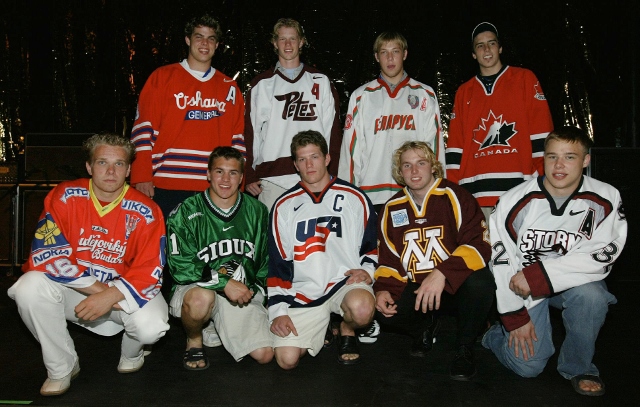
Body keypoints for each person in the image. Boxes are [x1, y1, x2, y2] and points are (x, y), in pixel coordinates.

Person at [7, 133, 169, 396]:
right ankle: (62, 366)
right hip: (80, 293)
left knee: (152, 327)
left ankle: (132, 353)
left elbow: (151, 269)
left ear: (129, 169)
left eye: (119, 164)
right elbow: (48, 254)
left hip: (121, 294)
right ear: (88, 166)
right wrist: (100, 293)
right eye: (102, 162)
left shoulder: (147, 210)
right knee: (28, 287)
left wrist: (113, 295)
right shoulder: (65, 196)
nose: (110, 171)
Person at [482, 126, 627, 396]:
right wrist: (513, 316)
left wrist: (539, 276)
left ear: (585, 160)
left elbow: (603, 254)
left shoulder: (606, 197)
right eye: (552, 157)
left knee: (593, 297)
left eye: (570, 157)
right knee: (528, 367)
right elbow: (501, 262)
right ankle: (494, 334)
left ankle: (579, 366)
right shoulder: (514, 200)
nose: (559, 165)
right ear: (543, 158)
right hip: (521, 288)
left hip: (568, 283)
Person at [374, 141, 494, 381]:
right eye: (407, 165)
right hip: (418, 290)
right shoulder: (392, 207)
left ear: (433, 166)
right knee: (383, 307)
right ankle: (425, 325)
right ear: (400, 171)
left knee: (481, 283)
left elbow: (480, 244)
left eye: (421, 163)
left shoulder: (456, 196)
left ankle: (464, 347)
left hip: (454, 287)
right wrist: (383, 289)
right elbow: (389, 259)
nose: (414, 171)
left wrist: (442, 273)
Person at [268, 130, 378, 369]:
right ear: (295, 164)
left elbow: (372, 246)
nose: (309, 164)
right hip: (305, 291)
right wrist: (278, 310)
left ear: (327, 158)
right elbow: (278, 263)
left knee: (361, 309)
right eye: (302, 159)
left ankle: (347, 329)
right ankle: (323, 324)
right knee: (287, 361)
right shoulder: (283, 206)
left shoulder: (355, 197)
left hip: (344, 284)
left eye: (315, 157)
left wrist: (369, 271)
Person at [166, 146, 273, 370]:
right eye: (219, 171)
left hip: (238, 292)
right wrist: (224, 283)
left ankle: (218, 322)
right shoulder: (185, 211)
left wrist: (259, 293)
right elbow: (180, 267)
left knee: (264, 355)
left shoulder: (258, 211)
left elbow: (263, 261)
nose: (225, 179)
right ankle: (194, 339)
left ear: (242, 177)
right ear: (208, 174)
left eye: (233, 173)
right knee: (200, 300)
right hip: (195, 287)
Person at [130, 13, 245, 218]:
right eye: (199, 36)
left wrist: (238, 184)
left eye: (211, 38)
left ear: (217, 45)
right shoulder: (162, 77)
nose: (204, 43)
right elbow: (142, 132)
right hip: (164, 184)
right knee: (165, 248)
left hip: (215, 187)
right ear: (187, 40)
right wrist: (141, 176)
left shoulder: (230, 87)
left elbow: (237, 143)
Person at [445, 22, 554, 224]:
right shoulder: (464, 92)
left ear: (500, 48)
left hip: (521, 192)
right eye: (480, 46)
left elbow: (542, 135)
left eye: (491, 43)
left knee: (524, 253)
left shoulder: (525, 79)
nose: (486, 50)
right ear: (473, 54)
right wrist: (454, 192)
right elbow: (455, 147)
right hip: (476, 195)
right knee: (482, 254)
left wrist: (546, 182)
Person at [338, 31, 444, 212]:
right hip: (371, 193)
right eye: (384, 52)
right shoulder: (361, 96)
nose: (390, 58)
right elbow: (351, 151)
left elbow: (434, 148)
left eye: (395, 51)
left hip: (415, 193)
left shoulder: (424, 94)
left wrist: (437, 191)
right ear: (376, 57)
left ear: (404, 54)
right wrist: (348, 194)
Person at [244, 18, 342, 211]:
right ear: (274, 43)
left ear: (302, 42)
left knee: (314, 239)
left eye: (292, 39)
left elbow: (334, 133)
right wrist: (249, 174)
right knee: (274, 240)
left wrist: (333, 172)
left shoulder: (320, 81)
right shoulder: (262, 84)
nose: (288, 44)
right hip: (273, 180)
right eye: (282, 39)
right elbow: (250, 133)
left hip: (315, 176)